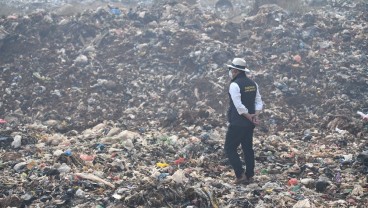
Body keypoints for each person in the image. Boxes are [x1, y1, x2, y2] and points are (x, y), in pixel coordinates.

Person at [225, 58, 263, 184]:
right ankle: (250, 175)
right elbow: (258, 102)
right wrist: (255, 116)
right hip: (249, 124)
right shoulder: (253, 84)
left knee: (229, 148)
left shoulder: (234, 85)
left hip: (237, 123)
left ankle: (240, 175)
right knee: (247, 148)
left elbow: (239, 106)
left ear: (235, 70)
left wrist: (250, 116)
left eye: (231, 69)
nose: (230, 72)